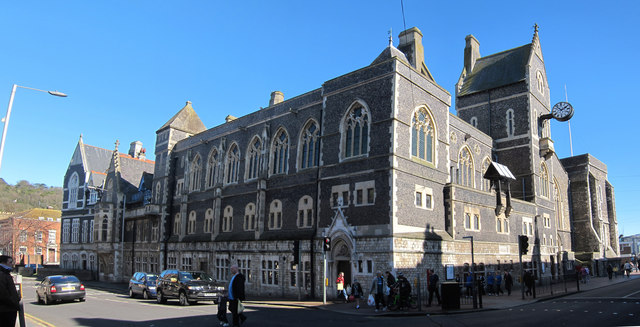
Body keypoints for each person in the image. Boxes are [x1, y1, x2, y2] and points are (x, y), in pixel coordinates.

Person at [0, 255, 20, 327]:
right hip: (6, 310)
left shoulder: (5, 273)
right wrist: (13, 302)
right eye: (10, 262)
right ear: (4, 263)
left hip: (8, 309)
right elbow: (3, 293)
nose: (12, 264)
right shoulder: (2, 274)